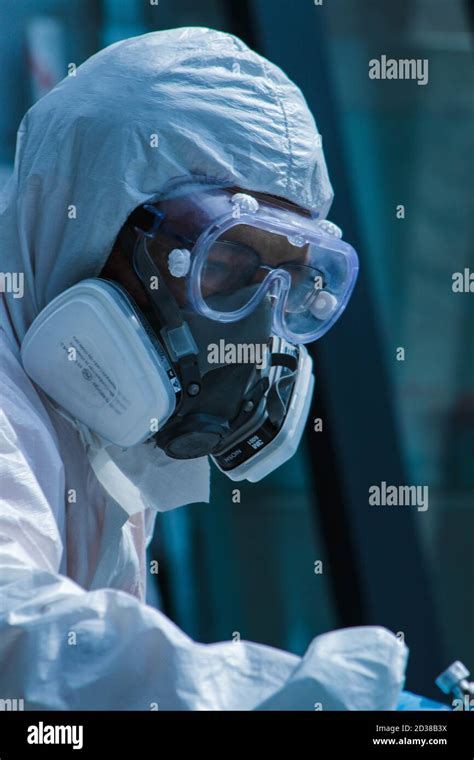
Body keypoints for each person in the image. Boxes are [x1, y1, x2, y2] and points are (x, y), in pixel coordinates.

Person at [0, 27, 405, 710]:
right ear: (91, 230)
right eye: (224, 263)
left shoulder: (93, 446)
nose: (254, 328)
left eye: (293, 278)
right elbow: (18, 642)